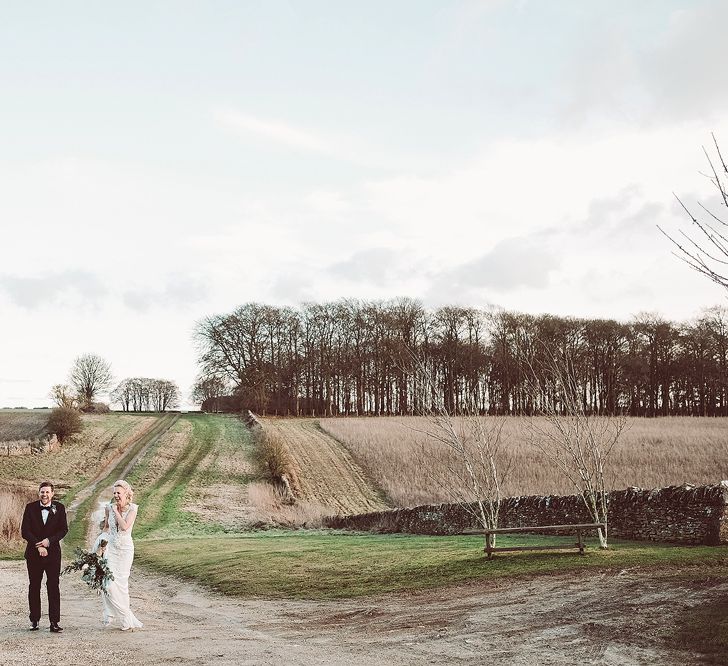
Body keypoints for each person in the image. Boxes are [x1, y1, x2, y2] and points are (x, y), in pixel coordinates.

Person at [21, 481, 68, 632]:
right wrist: (39, 546)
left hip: (53, 554)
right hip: (34, 554)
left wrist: (49, 541)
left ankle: (54, 622)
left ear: (52, 494)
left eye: (47, 492)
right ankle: (34, 620)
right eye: (42, 492)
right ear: (39, 493)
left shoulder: (59, 508)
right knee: (34, 586)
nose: (44, 495)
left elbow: (63, 529)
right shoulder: (30, 508)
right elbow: (25, 531)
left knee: (53, 586)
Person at [97, 479, 143, 631]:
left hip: (125, 550)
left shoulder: (133, 509)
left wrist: (115, 510)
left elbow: (124, 526)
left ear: (126, 493)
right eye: (114, 492)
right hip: (111, 550)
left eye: (119, 493)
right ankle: (112, 614)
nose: (116, 495)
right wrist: (101, 545)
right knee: (108, 583)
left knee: (122, 586)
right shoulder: (108, 508)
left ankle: (125, 619)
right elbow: (106, 528)